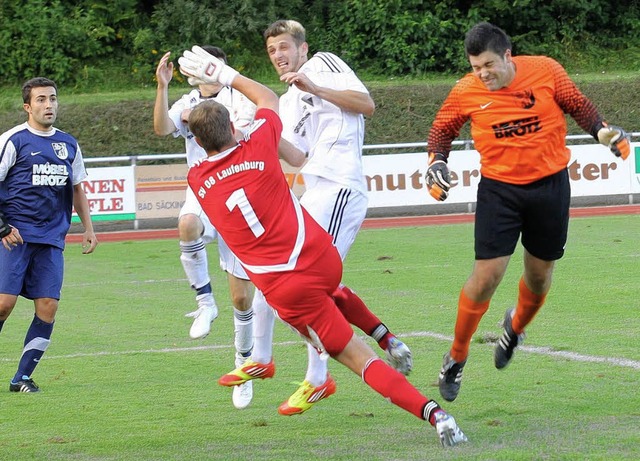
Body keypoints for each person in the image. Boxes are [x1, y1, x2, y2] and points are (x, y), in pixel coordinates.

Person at [177, 45, 467, 447]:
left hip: (290, 289)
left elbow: (216, 154)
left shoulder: (197, 182)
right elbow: (267, 98)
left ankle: (435, 415)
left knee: (354, 357)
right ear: (233, 128)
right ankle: (386, 339)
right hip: (321, 257)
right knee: (330, 291)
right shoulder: (258, 146)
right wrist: (223, 74)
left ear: (195, 139)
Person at [425, 22, 631, 402]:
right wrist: (437, 162)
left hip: (550, 187)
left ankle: (514, 328)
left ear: (507, 55)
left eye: (488, 65)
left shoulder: (546, 70)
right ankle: (455, 356)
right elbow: (441, 130)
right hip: (499, 191)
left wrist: (604, 132)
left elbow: (579, 106)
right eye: (475, 67)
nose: (482, 74)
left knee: (539, 276)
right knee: (487, 275)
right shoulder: (465, 91)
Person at [218, 19, 413, 417]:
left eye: (285, 47)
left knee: (307, 286)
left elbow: (367, 105)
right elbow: (298, 157)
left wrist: (316, 87)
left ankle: (321, 376)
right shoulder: (287, 102)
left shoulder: (322, 64)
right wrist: (249, 135)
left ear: (303, 48)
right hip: (316, 188)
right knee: (276, 277)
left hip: (341, 186)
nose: (278, 56)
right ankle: (266, 356)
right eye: (272, 51)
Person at [153, 46, 257, 409]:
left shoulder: (240, 97)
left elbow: (238, 134)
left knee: (243, 299)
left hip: (240, 195)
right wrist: (163, 88)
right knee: (187, 223)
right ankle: (204, 302)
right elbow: (163, 128)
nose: (197, 72)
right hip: (203, 188)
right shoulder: (187, 99)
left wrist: (192, 115)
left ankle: (243, 365)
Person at [0, 77, 98, 393]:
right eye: (41, 100)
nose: (49, 105)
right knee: (3, 304)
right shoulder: (13, 140)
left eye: (52, 99)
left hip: (52, 239)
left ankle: (22, 378)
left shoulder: (68, 144)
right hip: (12, 236)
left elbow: (78, 187)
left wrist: (88, 228)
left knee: (48, 306)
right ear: (28, 106)